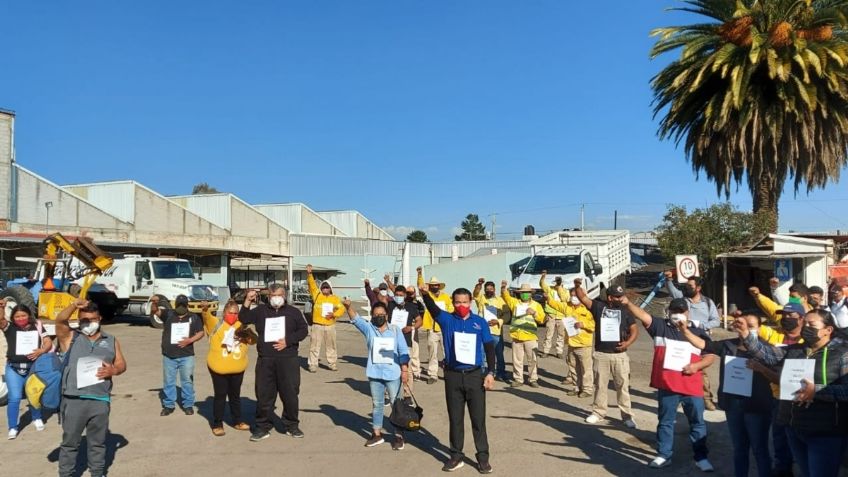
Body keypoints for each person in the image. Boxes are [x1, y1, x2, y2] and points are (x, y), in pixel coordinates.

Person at [740, 309, 848, 477]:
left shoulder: (843, 354)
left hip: (825, 431)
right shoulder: (796, 350)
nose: (806, 327)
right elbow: (768, 355)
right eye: (804, 323)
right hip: (794, 427)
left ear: (828, 330)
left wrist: (816, 391)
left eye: (812, 325)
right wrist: (746, 335)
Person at [625, 298, 717, 471]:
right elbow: (643, 315)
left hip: (692, 387)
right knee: (665, 422)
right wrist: (626, 302)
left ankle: (701, 457)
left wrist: (696, 366)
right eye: (674, 311)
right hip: (668, 386)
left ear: (688, 312)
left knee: (697, 422)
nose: (677, 314)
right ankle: (663, 455)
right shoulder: (660, 327)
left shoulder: (698, 331)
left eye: (681, 311)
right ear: (669, 312)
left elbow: (710, 355)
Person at [677, 314, 773, 477]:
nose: (747, 329)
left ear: (759, 328)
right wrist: (684, 331)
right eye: (744, 325)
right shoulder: (729, 345)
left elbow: (775, 374)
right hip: (733, 405)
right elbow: (703, 344)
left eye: (751, 326)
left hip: (756, 407)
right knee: (739, 448)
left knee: (759, 449)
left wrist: (761, 368)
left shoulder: (766, 349)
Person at [419, 282, 496, 474]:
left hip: (474, 375)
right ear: (452, 303)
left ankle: (483, 457)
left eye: (465, 302)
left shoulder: (480, 322)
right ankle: (456, 455)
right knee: (455, 418)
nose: (461, 306)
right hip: (453, 376)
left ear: (471, 302)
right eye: (458, 302)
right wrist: (425, 294)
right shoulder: (446, 320)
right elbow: (432, 308)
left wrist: (491, 373)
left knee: (478, 419)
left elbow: (489, 348)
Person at [55, 299, 127, 477]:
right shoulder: (70, 337)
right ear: (79, 321)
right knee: (70, 443)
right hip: (74, 400)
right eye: (84, 320)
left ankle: (97, 473)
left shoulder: (111, 340)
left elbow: (121, 364)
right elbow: (59, 320)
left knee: (98, 443)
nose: (88, 323)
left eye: (92, 319)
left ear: (100, 318)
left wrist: (114, 370)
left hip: (100, 400)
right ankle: (66, 474)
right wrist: (73, 306)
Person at [240, 284, 309, 441]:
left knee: (290, 394)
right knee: (264, 395)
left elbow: (303, 330)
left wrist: (288, 341)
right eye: (272, 295)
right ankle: (262, 427)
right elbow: (243, 318)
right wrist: (247, 301)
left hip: (288, 359)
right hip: (266, 360)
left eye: (278, 294)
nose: (275, 298)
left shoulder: (293, 312)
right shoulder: (261, 311)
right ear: (268, 297)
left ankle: (292, 425)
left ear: (284, 296)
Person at [344, 299, 410, 449]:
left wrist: (404, 370)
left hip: (393, 373)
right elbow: (356, 319)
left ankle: (399, 436)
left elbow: (403, 351)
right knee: (377, 404)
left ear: (386, 315)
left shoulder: (395, 330)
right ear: (372, 316)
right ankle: (376, 434)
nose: (378, 316)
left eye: (381, 314)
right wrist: (348, 307)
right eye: (375, 314)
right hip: (375, 374)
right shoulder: (369, 329)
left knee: (396, 405)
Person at [573, 280, 639, 427]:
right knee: (600, 385)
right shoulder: (598, 307)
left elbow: (635, 329)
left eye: (621, 296)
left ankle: (627, 416)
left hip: (620, 355)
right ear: (610, 297)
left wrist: (628, 343)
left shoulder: (626, 310)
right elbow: (583, 298)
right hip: (601, 354)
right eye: (617, 297)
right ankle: (598, 412)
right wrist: (577, 286)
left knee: (622, 386)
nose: (620, 299)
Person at [664, 272, 721, 411]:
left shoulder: (708, 302)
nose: (687, 288)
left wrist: (699, 325)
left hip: (701, 340)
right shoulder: (683, 300)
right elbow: (672, 291)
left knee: (701, 370)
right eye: (686, 285)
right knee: (680, 366)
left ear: (698, 288)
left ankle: (706, 398)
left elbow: (716, 321)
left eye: (690, 286)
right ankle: (680, 395)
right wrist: (669, 279)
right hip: (683, 340)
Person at [201, 300, 256, 436]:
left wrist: (248, 335)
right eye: (230, 313)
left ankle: (237, 421)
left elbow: (253, 341)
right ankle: (217, 423)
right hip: (219, 368)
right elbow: (207, 317)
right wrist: (205, 309)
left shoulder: (241, 325)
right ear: (224, 312)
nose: (233, 315)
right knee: (220, 396)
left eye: (236, 313)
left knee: (235, 396)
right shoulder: (217, 324)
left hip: (237, 368)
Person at [0, 301, 52, 439]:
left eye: (23, 315)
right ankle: (12, 427)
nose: (20, 318)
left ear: (29, 315)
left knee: (34, 395)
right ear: (13, 318)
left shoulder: (37, 326)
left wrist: (42, 350)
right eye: (17, 316)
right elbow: (1, 319)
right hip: (14, 369)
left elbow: (47, 341)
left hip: (33, 368)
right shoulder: (9, 328)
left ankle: (36, 417)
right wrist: (1, 307)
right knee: (14, 398)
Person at [541, 273, 595, 397]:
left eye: (575, 296)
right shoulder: (568, 307)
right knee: (573, 367)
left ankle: (587, 389)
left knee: (586, 368)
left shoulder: (589, 309)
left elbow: (594, 325)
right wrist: (548, 299)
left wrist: (583, 324)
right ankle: (576, 387)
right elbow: (556, 304)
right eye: (571, 296)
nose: (573, 298)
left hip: (584, 344)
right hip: (571, 343)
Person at [152, 294, 204, 416]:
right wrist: (154, 302)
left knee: (187, 381)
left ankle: (188, 405)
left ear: (187, 305)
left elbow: (201, 332)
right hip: (169, 355)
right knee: (169, 381)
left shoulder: (194, 317)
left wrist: (190, 340)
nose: (181, 307)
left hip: (186, 356)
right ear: (175, 305)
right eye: (179, 305)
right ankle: (169, 405)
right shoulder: (169, 314)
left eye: (183, 305)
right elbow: (155, 311)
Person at [501, 282, 545, 388]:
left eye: (527, 292)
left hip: (530, 336)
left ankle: (533, 379)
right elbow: (505, 296)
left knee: (532, 359)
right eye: (523, 292)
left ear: (531, 294)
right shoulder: (515, 303)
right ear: (520, 294)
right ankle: (518, 379)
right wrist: (503, 288)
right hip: (517, 336)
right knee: (517, 360)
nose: (525, 294)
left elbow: (542, 319)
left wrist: (534, 313)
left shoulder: (536, 305)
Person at [417, 267, 453, 384]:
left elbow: (451, 309)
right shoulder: (428, 296)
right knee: (432, 353)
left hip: (444, 329)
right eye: (432, 285)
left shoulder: (446, 297)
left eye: (436, 285)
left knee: (447, 351)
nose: (434, 287)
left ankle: (449, 373)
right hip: (432, 329)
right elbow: (421, 286)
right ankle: (433, 374)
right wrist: (419, 274)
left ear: (439, 286)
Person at [306, 264, 345, 373]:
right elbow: (312, 285)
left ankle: (332, 363)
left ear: (330, 288)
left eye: (327, 287)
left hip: (330, 326)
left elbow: (341, 308)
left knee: (331, 345)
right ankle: (313, 364)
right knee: (314, 345)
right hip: (317, 325)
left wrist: (334, 315)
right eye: (323, 287)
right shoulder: (317, 295)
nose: (325, 288)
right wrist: (309, 274)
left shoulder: (335, 298)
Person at [384, 284, 421, 394]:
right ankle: (389, 393)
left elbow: (419, 320)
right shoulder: (390, 305)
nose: (398, 297)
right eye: (396, 295)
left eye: (401, 295)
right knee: (389, 367)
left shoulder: (411, 307)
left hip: (406, 341)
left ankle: (407, 393)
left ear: (405, 295)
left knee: (407, 369)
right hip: (391, 341)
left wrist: (412, 327)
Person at [473, 278, 509, 382]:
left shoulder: (500, 300)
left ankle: (501, 373)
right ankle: (482, 373)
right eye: (487, 289)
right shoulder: (481, 298)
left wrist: (498, 321)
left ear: (494, 289)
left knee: (499, 354)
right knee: (482, 353)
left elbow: (507, 314)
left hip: (496, 332)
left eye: (491, 289)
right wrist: (479, 284)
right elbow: (475, 293)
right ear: (484, 290)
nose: (489, 291)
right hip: (482, 331)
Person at [539, 276, 568, 359]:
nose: (557, 283)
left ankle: (559, 352)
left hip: (561, 315)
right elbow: (542, 284)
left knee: (561, 335)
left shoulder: (565, 291)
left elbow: (564, 298)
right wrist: (543, 277)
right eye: (556, 281)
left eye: (559, 282)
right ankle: (546, 351)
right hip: (551, 315)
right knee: (549, 334)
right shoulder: (550, 290)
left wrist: (559, 288)